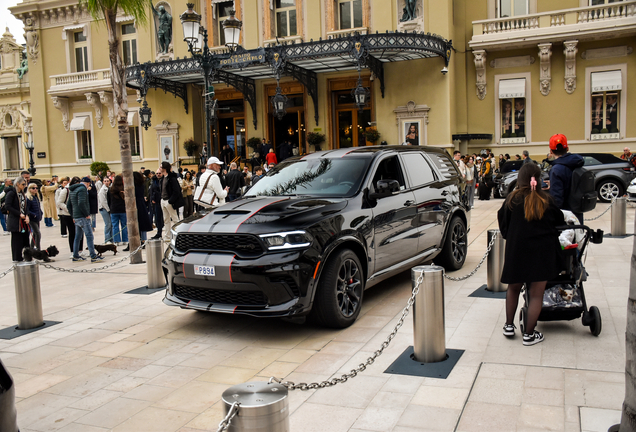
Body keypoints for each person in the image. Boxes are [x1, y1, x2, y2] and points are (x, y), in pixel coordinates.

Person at [498, 163, 565, 346]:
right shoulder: (547, 200)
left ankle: (509, 325)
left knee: (513, 289)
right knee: (536, 295)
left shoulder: (512, 200)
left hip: (517, 251)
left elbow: (503, 226)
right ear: (539, 179)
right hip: (541, 254)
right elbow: (559, 222)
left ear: (520, 179)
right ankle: (529, 334)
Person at [547, 133, 584, 222]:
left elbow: (557, 199)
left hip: (566, 217)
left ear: (551, 151)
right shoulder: (577, 163)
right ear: (567, 148)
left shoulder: (556, 169)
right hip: (577, 213)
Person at [67, 177, 103, 263]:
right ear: (87, 183)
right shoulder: (82, 189)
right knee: (89, 236)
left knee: (77, 236)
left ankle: (75, 255)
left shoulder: (72, 189)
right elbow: (81, 202)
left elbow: (68, 205)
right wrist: (86, 214)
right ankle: (93, 256)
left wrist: (73, 216)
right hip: (83, 216)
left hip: (76, 216)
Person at [5, 177, 30, 262]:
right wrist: (19, 214)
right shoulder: (11, 193)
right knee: (17, 240)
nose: (24, 186)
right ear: (17, 184)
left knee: (25, 238)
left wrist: (27, 215)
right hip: (15, 221)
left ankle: (27, 256)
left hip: (24, 220)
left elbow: (25, 206)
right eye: (23, 184)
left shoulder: (22, 193)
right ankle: (17, 258)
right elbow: (8, 206)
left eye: (25, 184)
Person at [56, 177, 83, 254]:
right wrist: (69, 209)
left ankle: (80, 250)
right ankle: (73, 251)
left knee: (80, 232)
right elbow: (59, 202)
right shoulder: (66, 190)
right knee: (72, 232)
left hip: (78, 214)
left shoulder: (80, 190)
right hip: (68, 215)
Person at [160, 161, 185, 242]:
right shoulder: (163, 178)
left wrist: (170, 201)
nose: (159, 168)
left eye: (161, 167)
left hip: (169, 201)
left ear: (164, 168)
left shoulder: (172, 178)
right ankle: (167, 236)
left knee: (175, 219)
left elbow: (177, 191)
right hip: (163, 200)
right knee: (166, 220)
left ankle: (179, 234)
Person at [132, 171, 153, 245]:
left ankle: (141, 239)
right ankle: (144, 239)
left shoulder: (134, 186)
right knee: (142, 222)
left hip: (137, 203)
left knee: (139, 222)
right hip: (141, 203)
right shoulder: (142, 184)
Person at [108, 175, 128, 245]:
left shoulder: (111, 189)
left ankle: (117, 241)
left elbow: (108, 200)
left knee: (115, 226)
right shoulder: (124, 189)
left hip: (114, 209)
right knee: (124, 225)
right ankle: (125, 240)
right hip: (123, 209)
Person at [25, 183, 43, 250]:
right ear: (29, 189)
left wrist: (40, 213)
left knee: (35, 234)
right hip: (32, 219)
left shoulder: (36, 197)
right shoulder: (28, 198)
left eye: (36, 188)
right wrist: (34, 215)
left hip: (37, 218)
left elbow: (38, 207)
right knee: (38, 233)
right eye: (33, 188)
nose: (35, 189)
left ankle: (31, 248)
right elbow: (27, 210)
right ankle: (38, 249)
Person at [150, 167, 164, 239]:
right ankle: (159, 232)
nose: (158, 174)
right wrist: (152, 198)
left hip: (164, 200)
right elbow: (152, 190)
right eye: (157, 173)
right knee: (158, 217)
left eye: (159, 173)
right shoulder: (154, 181)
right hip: (157, 201)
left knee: (165, 218)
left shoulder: (164, 180)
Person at [98, 176, 113, 244]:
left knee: (111, 224)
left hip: (108, 208)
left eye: (108, 181)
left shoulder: (109, 188)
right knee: (108, 224)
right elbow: (103, 201)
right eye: (105, 181)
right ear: (103, 182)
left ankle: (111, 238)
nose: (106, 182)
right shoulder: (102, 190)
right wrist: (108, 209)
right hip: (104, 208)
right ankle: (107, 239)